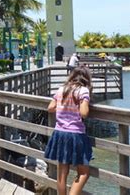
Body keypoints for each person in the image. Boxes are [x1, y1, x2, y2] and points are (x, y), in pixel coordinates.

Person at [44, 67, 93, 195]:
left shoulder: (61, 90)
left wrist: (64, 108)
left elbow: (50, 108)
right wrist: (83, 104)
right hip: (75, 134)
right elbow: (84, 113)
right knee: (83, 172)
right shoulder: (83, 90)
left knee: (62, 173)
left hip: (59, 132)